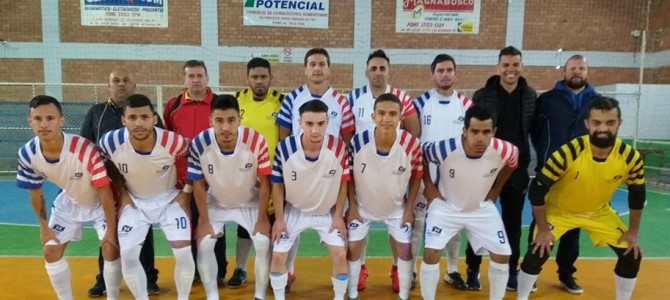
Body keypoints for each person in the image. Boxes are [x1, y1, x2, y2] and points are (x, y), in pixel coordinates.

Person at [516, 96, 645, 300]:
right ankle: (521, 297)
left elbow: (638, 194)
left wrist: (633, 232)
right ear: (587, 124)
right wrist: (542, 229)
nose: (603, 128)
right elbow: (537, 189)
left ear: (619, 123)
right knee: (538, 251)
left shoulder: (630, 157)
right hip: (558, 212)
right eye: (596, 123)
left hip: (599, 212)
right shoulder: (570, 151)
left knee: (632, 253)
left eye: (610, 123)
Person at [18, 95, 122, 300]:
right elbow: (35, 192)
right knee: (50, 251)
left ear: (61, 121)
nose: (44, 124)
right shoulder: (28, 153)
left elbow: (105, 193)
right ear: (30, 122)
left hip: (101, 203)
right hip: (69, 202)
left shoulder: (84, 149)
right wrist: (44, 227)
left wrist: (110, 231)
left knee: (111, 249)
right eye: (37, 119)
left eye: (50, 118)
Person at [99, 94, 195, 300]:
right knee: (128, 257)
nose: (139, 123)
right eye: (132, 118)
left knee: (184, 253)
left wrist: (186, 193)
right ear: (123, 120)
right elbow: (106, 161)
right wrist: (122, 192)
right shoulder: (110, 141)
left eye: (144, 117)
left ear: (154, 118)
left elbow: (196, 156)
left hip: (169, 200)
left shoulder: (172, 141)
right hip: (134, 202)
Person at [420, 105, 519, 300]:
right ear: (464, 131)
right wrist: (428, 186)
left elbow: (512, 163)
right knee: (431, 253)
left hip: (480, 209)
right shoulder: (444, 148)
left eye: (486, 132)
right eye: (474, 131)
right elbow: (420, 154)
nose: (480, 138)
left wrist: (496, 189)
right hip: (446, 207)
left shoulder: (506, 150)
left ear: (494, 132)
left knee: (503, 254)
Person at [275, 48, 355, 287]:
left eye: (322, 64)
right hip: (299, 174)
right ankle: (287, 270)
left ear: (329, 69)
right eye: (312, 64)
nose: (317, 68)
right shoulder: (292, 98)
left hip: (328, 178)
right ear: (305, 69)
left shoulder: (341, 101)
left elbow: (347, 139)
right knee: (290, 227)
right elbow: (283, 136)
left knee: (338, 238)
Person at [80, 67, 161, 297]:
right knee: (107, 231)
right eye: (116, 80)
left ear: (134, 85)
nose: (121, 84)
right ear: (109, 85)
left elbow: (161, 143)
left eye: (126, 80)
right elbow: (85, 145)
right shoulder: (97, 112)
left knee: (143, 231)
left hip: (140, 183)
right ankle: (104, 279)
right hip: (106, 183)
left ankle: (148, 279)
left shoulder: (147, 111)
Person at [347, 49, 421, 291]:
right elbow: (347, 133)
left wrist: (397, 161)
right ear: (367, 71)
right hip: (364, 170)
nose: (378, 72)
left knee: (396, 226)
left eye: (382, 68)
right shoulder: (354, 97)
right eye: (374, 68)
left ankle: (396, 267)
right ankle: (361, 268)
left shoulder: (402, 97)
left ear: (389, 71)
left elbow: (413, 130)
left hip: (392, 170)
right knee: (359, 224)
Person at [466, 46, 536, 291]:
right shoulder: (482, 95)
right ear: (499, 67)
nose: (510, 69)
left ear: (521, 66)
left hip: (517, 170)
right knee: (476, 220)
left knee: (512, 224)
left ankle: (511, 271)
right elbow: (471, 130)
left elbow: (531, 128)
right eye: (506, 65)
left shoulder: (530, 95)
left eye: (515, 64)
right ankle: (472, 270)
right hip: (486, 167)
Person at [188, 95, 272, 300]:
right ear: (211, 121)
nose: (225, 127)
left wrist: (262, 219)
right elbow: (197, 184)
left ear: (239, 120)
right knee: (205, 243)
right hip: (216, 202)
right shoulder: (199, 143)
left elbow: (265, 183)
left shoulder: (255, 140)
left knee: (262, 243)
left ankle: (259, 296)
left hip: (250, 202)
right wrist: (204, 220)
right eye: (219, 121)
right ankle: (212, 296)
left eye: (231, 120)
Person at [528, 54, 600, 294]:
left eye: (581, 68)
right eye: (572, 68)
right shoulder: (547, 99)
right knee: (540, 224)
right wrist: (545, 154)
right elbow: (536, 131)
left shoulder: (597, 101)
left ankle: (567, 274)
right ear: (564, 71)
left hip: (582, 176)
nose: (577, 72)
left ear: (587, 71)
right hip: (550, 172)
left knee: (572, 228)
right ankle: (532, 272)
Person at [269, 100, 350, 300]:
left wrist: (339, 215)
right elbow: (277, 185)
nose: (315, 130)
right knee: (278, 254)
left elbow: (343, 183)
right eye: (309, 124)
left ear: (327, 122)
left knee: (340, 255)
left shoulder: (338, 147)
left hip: (326, 212)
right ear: (300, 123)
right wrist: (279, 220)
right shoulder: (285, 148)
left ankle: (339, 297)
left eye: (321, 124)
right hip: (294, 210)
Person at [412, 54, 473, 291]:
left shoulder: (467, 106)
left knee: (454, 224)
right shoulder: (419, 103)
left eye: (449, 70)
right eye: (440, 70)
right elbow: (412, 138)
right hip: (425, 174)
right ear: (432, 75)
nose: (445, 74)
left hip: (456, 176)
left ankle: (452, 270)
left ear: (455, 74)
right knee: (417, 224)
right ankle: (412, 271)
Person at [163, 60, 227, 284]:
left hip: (216, 179)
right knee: (188, 225)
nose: (196, 80)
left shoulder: (219, 103)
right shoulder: (173, 105)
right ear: (184, 79)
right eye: (191, 76)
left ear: (207, 78)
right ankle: (192, 272)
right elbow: (169, 139)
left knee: (215, 226)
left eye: (200, 75)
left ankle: (218, 273)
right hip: (184, 181)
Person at [229, 57, 284, 289]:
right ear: (248, 78)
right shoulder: (236, 100)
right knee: (244, 225)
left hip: (272, 176)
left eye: (263, 77)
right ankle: (240, 268)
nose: (259, 81)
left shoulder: (281, 101)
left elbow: (285, 138)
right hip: (243, 175)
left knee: (275, 225)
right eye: (255, 77)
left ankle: (277, 272)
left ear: (270, 77)